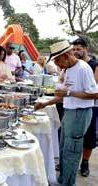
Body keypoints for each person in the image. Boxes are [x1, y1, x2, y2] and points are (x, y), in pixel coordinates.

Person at [35, 40, 97, 186]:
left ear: (67, 55)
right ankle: (63, 180)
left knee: (71, 152)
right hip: (69, 112)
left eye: (58, 60)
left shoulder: (83, 68)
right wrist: (45, 103)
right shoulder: (68, 69)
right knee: (64, 149)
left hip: (80, 114)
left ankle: (68, 183)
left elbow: (95, 94)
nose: (57, 64)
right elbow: (63, 95)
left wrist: (69, 92)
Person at [72, 37, 98, 177]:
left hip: (91, 106)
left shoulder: (94, 65)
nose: (76, 52)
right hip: (74, 105)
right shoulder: (73, 65)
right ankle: (72, 162)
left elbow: (92, 88)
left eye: (78, 49)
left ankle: (85, 163)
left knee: (89, 137)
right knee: (73, 136)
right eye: (74, 49)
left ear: (85, 49)